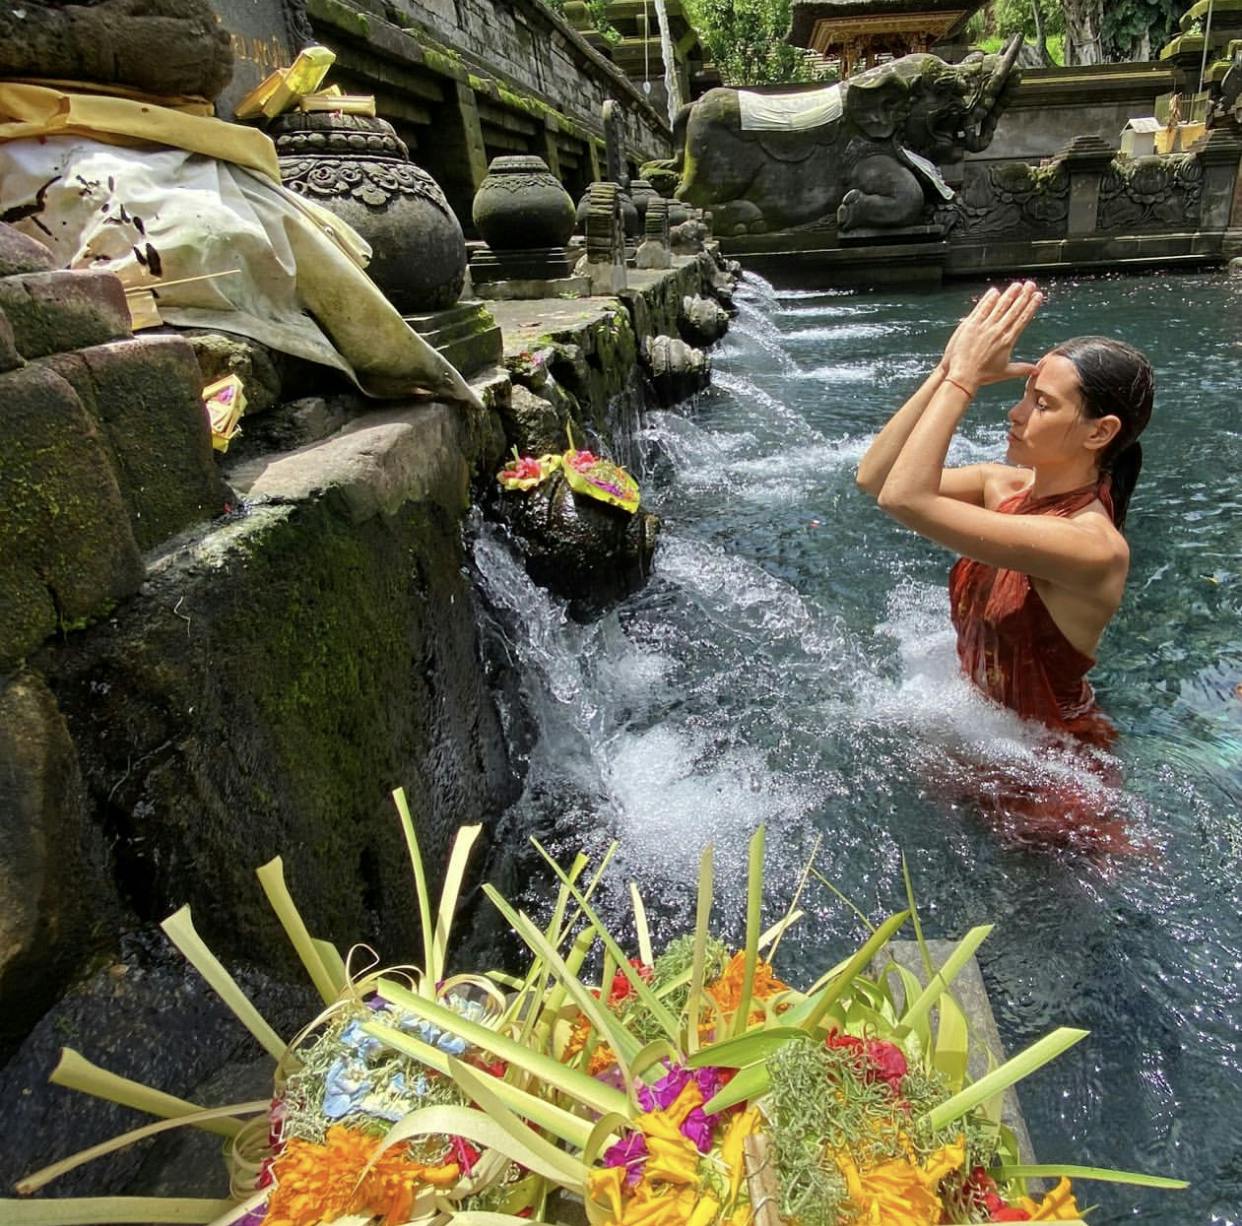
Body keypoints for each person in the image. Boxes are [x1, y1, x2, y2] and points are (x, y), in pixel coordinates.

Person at [857, 282, 1155, 852]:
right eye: (1025, 393)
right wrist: (946, 370)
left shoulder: (1091, 545)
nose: (1016, 413)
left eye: (1043, 404)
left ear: (1100, 431)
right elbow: (877, 479)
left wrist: (964, 382)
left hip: (1056, 786)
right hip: (986, 744)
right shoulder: (1005, 485)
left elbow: (907, 500)